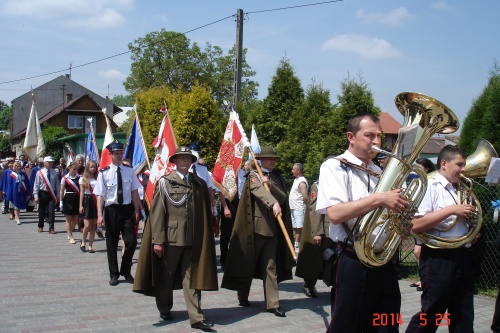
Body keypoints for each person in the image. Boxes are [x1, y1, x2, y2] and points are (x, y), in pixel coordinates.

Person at [316, 113, 408, 333]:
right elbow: (336, 214)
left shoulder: (380, 172)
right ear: (351, 137)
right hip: (352, 260)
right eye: (369, 135)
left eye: (379, 136)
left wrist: (403, 218)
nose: (376, 142)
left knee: (387, 325)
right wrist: (379, 198)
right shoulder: (334, 167)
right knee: (348, 326)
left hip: (383, 262)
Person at [133, 146, 217, 331]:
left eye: (188, 158)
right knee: (167, 277)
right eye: (181, 158)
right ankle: (164, 307)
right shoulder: (165, 183)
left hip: (193, 239)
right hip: (171, 239)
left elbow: (203, 213)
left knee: (193, 278)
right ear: (175, 161)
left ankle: (196, 317)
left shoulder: (199, 183)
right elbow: (157, 214)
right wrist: (158, 240)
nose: (185, 161)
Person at [405, 145, 476, 332]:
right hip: (439, 258)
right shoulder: (429, 185)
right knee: (431, 313)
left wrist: (472, 228)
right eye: (459, 164)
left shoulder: (461, 187)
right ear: (444, 163)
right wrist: (452, 210)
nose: (464, 169)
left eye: (464, 164)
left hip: (463, 255)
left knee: (463, 315)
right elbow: (415, 225)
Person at [221, 146, 295, 318]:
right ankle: (243, 295)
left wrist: (271, 185)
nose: (272, 161)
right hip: (257, 227)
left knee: (271, 266)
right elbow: (258, 191)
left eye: (274, 159)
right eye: (268, 158)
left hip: (273, 228)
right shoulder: (253, 175)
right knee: (249, 263)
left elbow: (283, 197)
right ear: (261, 160)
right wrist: (272, 202)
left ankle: (272, 304)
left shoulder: (277, 176)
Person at [94, 140, 142, 286]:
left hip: (127, 209)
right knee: (112, 243)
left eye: (121, 153)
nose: (120, 156)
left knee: (132, 242)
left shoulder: (129, 171)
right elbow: (100, 196)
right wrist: (100, 215)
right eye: (117, 153)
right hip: (112, 210)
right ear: (111, 154)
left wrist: (136, 209)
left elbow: (134, 191)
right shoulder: (104, 173)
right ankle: (114, 274)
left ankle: (126, 270)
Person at [295, 180, 334, 298]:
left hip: (337, 227)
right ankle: (309, 284)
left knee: (333, 261)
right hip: (325, 228)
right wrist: (317, 232)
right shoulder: (318, 185)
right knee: (316, 259)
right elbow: (315, 208)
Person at [410, 158, 436, 292]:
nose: (415, 168)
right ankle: (422, 278)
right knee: (417, 252)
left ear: (426, 168)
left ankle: (424, 280)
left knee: (419, 251)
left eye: (418, 166)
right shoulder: (418, 181)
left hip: (423, 220)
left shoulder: (431, 183)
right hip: (416, 218)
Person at [219, 159, 251, 269]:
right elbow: (221, 191)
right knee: (226, 234)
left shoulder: (243, 173)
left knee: (240, 233)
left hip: (240, 203)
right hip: (228, 203)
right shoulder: (226, 172)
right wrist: (225, 208)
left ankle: (238, 258)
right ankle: (224, 259)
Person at [33, 156, 60, 234]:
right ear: (45, 163)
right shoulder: (40, 172)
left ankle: (51, 228)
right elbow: (36, 185)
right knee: (42, 210)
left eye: (52, 162)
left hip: (52, 194)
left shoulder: (54, 172)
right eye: (49, 162)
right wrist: (36, 196)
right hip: (43, 193)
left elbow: (57, 185)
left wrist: (58, 195)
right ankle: (40, 226)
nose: (51, 164)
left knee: (52, 211)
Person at [79, 160, 99, 253]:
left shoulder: (98, 178)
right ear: (87, 168)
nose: (93, 169)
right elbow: (82, 192)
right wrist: (80, 205)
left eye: (94, 167)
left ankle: (90, 245)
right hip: (87, 201)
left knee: (93, 226)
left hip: (95, 200)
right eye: (91, 167)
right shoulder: (83, 179)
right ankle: (83, 242)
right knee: (86, 225)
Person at [289, 162, 308, 253]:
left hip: (299, 207)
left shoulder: (302, 181)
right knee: (296, 226)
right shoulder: (296, 180)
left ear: (298, 170)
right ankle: (297, 242)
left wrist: (305, 206)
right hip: (293, 207)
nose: (292, 170)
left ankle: (298, 243)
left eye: (293, 169)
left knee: (300, 226)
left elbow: (305, 196)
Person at [60, 162, 81, 244]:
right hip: (68, 199)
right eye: (74, 169)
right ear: (69, 168)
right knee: (68, 219)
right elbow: (61, 190)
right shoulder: (64, 178)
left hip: (76, 198)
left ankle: (70, 231)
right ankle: (70, 236)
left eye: (76, 169)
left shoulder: (79, 178)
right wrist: (61, 201)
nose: (75, 171)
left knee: (76, 219)